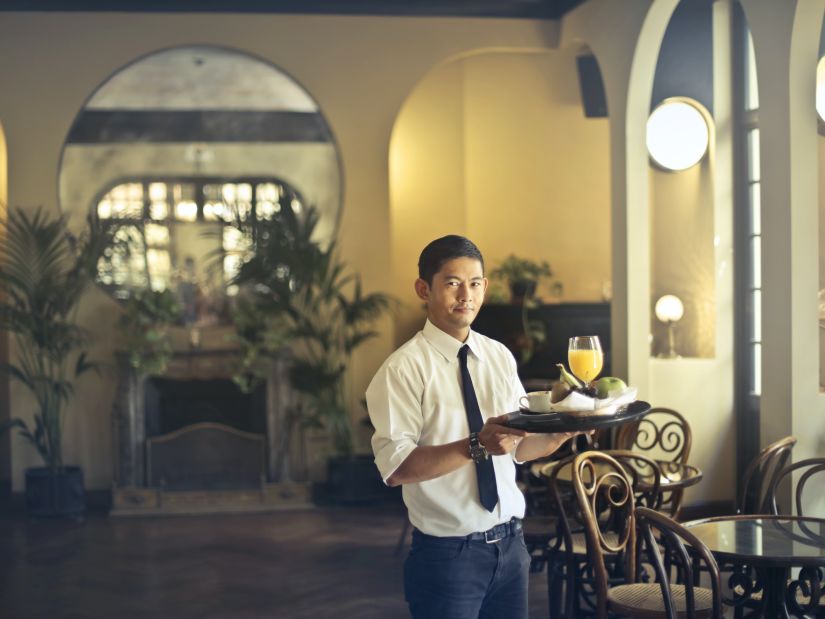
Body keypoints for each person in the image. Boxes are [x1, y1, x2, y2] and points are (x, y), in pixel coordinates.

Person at [366, 235, 584, 619]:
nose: (466, 294)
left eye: (476, 283)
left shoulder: (498, 355)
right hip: (448, 557)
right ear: (424, 289)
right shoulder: (401, 370)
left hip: (512, 548)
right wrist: (476, 445)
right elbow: (397, 469)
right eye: (452, 283)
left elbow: (519, 448)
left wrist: (565, 430)